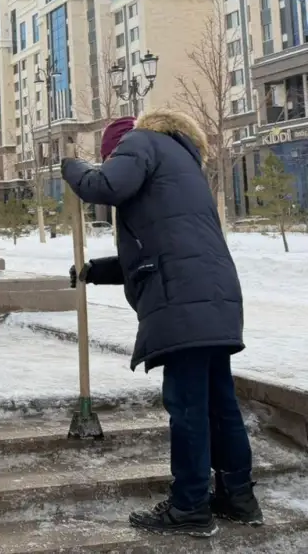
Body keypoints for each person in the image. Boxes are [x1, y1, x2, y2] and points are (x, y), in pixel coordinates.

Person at [62, 109, 261, 538]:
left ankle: (190, 506)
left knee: (188, 406)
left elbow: (105, 186)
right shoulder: (180, 163)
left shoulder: (139, 141)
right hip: (213, 295)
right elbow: (163, 249)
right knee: (218, 403)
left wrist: (72, 167)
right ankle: (238, 497)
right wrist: (95, 269)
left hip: (183, 300)